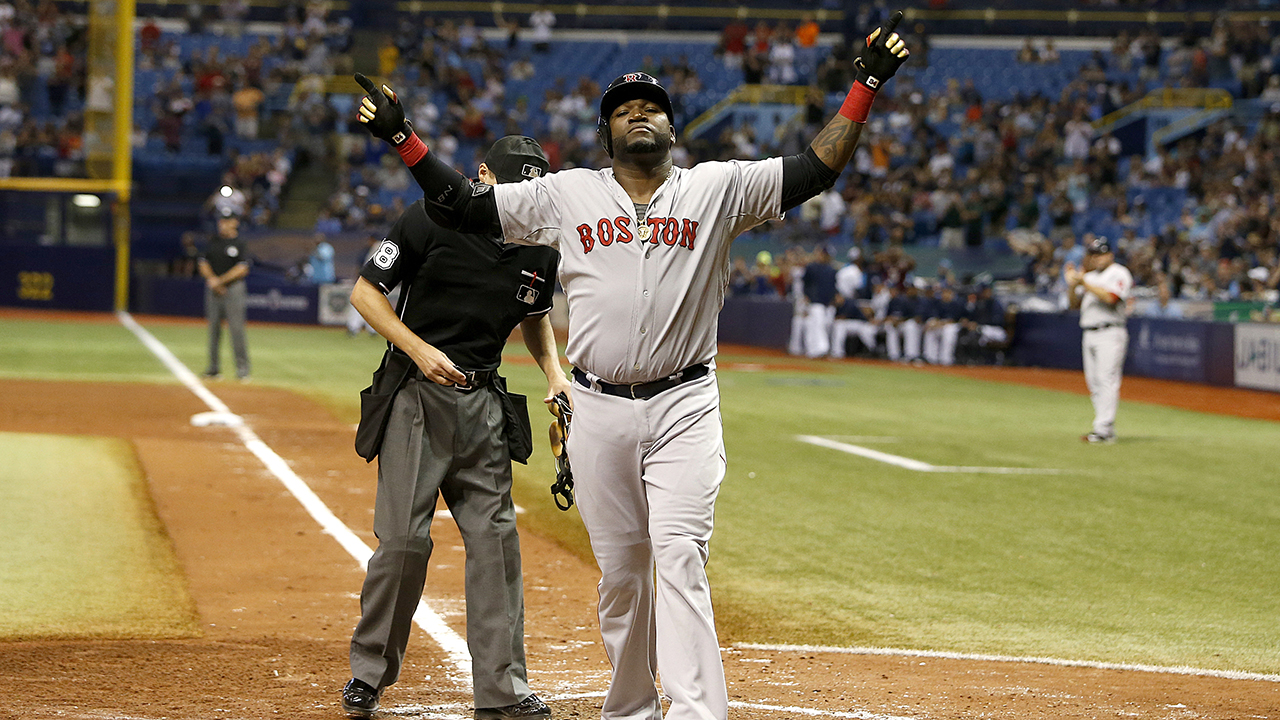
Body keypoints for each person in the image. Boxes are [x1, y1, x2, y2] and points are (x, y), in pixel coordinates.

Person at [352, 17, 909, 719]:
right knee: (622, 577)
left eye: (650, 108)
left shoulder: (718, 189)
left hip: (685, 404)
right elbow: (462, 205)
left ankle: (698, 711)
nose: (638, 115)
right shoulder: (567, 195)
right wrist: (405, 138)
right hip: (599, 410)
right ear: (605, 133)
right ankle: (632, 707)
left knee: (679, 556)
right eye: (623, 110)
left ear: (671, 130)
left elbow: (815, 168)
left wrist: (863, 85)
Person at [341, 136, 569, 720]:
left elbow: (535, 318)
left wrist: (555, 372)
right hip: (417, 398)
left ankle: (503, 690)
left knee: (496, 545)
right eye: (515, 186)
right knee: (405, 543)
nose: (524, 200)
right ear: (483, 174)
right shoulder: (430, 217)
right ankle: (370, 671)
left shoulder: (540, 248)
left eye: (533, 191)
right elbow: (366, 293)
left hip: (485, 403)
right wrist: (418, 351)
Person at [1066, 237, 1133, 444]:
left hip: (1110, 332)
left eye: (1101, 254)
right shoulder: (1090, 276)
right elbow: (1073, 304)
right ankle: (1103, 427)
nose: (1097, 258)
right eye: (1094, 254)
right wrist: (1072, 284)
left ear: (1110, 255)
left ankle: (1103, 429)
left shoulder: (1119, 273)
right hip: (1089, 332)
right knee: (1094, 383)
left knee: (1107, 380)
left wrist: (1083, 282)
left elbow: (1111, 298)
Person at [199, 208, 250, 381]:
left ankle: (242, 370)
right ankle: (213, 368)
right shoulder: (213, 241)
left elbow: (242, 268)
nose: (223, 224)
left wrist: (219, 281)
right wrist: (213, 280)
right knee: (213, 329)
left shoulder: (240, 243)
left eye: (227, 220)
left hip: (233, 289)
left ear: (235, 222)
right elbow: (203, 263)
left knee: (236, 329)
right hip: (214, 289)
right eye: (221, 221)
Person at [801, 244, 838, 358]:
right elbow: (805, 284)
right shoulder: (812, 267)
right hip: (815, 301)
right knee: (814, 325)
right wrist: (806, 296)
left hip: (827, 304)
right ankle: (818, 349)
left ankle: (816, 350)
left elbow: (833, 287)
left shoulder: (832, 270)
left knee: (818, 325)